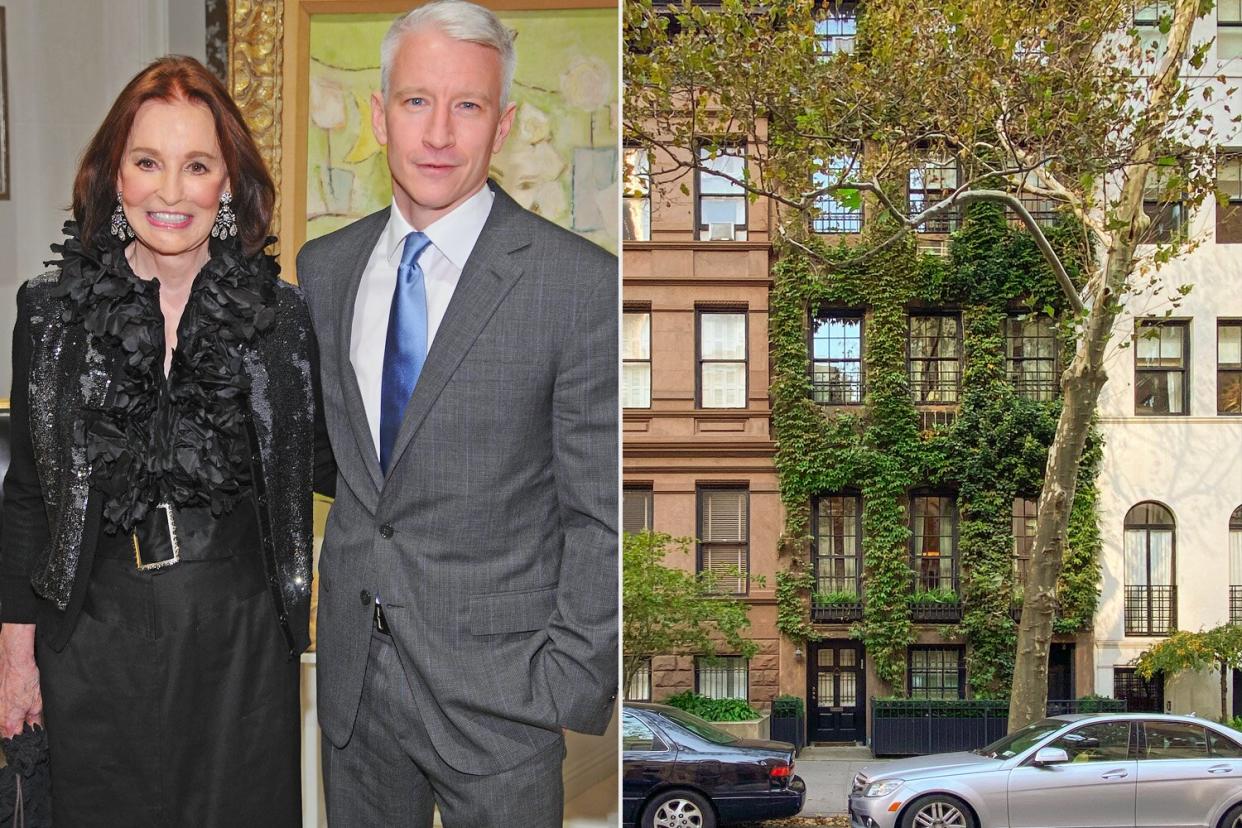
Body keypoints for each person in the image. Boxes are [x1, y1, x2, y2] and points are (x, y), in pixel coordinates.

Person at [296, 2, 618, 825]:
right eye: (416, 101)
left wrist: (563, 684)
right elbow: (351, 469)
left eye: (467, 105)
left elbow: (601, 513)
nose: (439, 132)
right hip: (354, 703)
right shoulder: (323, 271)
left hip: (502, 708)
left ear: (503, 123)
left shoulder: (577, 284)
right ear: (378, 115)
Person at [0, 56, 333, 826]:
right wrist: (15, 653)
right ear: (115, 175)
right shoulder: (51, 313)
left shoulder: (280, 322)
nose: (172, 191)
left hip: (240, 643)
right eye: (148, 161)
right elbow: (28, 495)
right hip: (91, 637)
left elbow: (330, 464)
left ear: (227, 184)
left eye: (197, 165)